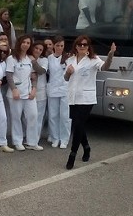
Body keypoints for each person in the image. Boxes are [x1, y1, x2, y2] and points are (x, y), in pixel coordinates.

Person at [64, 35, 115, 169]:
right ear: (76, 46)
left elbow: (105, 68)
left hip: (87, 98)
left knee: (79, 123)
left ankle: (72, 154)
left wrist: (110, 55)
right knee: (77, 125)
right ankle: (86, 147)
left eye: (85, 45)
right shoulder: (70, 59)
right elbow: (65, 78)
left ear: (88, 47)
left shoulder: (93, 59)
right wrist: (68, 73)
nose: (82, 47)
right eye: (80, 44)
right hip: (73, 97)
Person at [6, 35, 43, 151]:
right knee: (16, 117)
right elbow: (9, 75)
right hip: (15, 93)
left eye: (28, 43)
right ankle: (17, 141)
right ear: (19, 43)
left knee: (33, 115)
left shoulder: (30, 59)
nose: (26, 44)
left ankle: (32, 142)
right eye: (24, 42)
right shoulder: (11, 58)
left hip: (28, 93)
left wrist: (34, 89)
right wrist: (14, 89)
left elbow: (34, 76)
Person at [46, 36, 70, 149]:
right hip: (53, 89)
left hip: (65, 90)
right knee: (53, 115)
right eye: (57, 45)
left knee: (64, 116)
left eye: (62, 46)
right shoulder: (49, 58)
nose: (59, 48)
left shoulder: (68, 58)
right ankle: (55, 138)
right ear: (53, 46)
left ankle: (64, 139)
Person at [31, 40, 48, 143]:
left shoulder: (44, 60)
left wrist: (33, 61)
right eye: (36, 48)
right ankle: (27, 136)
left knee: (39, 116)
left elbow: (41, 71)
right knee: (29, 116)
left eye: (40, 49)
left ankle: (35, 139)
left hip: (41, 91)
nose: (38, 51)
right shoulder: (26, 58)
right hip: (29, 90)